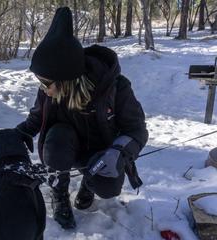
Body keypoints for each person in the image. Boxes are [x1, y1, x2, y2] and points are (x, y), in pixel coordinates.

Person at [15, 7, 148, 229]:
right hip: (65, 148)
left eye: (46, 83)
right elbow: (35, 120)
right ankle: (60, 193)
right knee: (56, 139)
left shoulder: (116, 88)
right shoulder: (50, 93)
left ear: (66, 79)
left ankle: (89, 183)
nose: (43, 89)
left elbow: (137, 130)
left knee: (108, 187)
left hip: (101, 155)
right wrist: (10, 137)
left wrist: (119, 152)